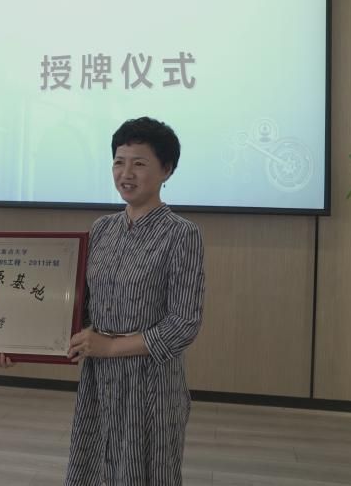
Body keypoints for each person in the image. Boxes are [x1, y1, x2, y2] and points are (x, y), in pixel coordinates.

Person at [64, 117, 205, 485]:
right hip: (98, 381)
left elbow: (183, 325)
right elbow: (81, 309)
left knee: (146, 474)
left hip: (151, 386)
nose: (126, 173)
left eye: (139, 163)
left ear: (167, 170)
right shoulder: (102, 229)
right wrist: (24, 343)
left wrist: (111, 347)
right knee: (93, 468)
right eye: (119, 162)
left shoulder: (182, 234)